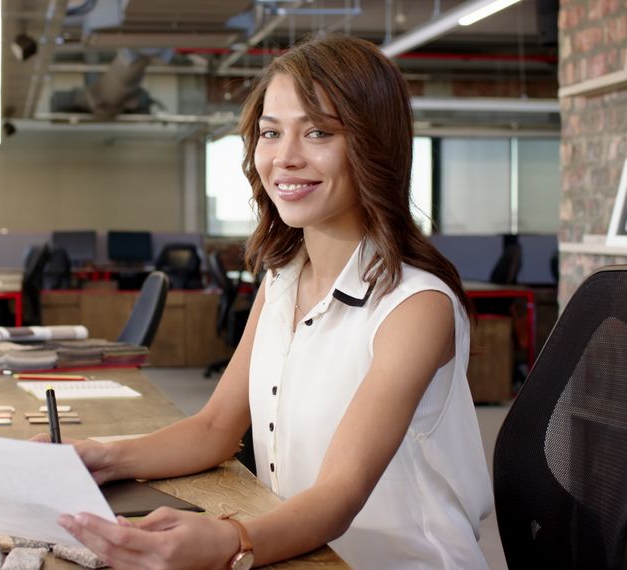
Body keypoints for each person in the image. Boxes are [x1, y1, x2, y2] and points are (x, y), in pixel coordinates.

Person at [45, 33, 493, 569]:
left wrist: (229, 541)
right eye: (270, 133)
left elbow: (340, 495)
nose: (285, 158)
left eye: (319, 133)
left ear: (375, 145)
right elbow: (214, 431)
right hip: (299, 550)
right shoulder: (282, 280)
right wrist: (98, 458)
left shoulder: (414, 306)